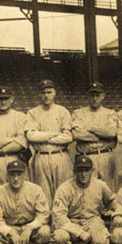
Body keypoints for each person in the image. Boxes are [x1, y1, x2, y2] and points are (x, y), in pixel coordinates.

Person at [50, 156, 116, 244]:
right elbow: (59, 215)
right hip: (71, 221)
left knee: (101, 240)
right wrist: (79, 232)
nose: (83, 174)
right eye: (80, 171)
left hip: (92, 220)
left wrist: (115, 213)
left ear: (92, 171)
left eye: (87, 170)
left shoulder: (100, 185)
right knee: (59, 238)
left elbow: (112, 202)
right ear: (74, 171)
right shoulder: (64, 188)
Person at [0, 160, 51, 244]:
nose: (16, 178)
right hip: (10, 226)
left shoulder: (35, 189)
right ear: (7, 176)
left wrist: (30, 227)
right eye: (12, 175)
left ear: (25, 175)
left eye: (19, 174)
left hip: (31, 226)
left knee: (45, 231)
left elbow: (44, 214)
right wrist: (10, 232)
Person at [25, 79, 73, 207]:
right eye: (43, 92)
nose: (46, 95)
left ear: (54, 93)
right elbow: (31, 136)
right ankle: (46, 222)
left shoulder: (63, 111)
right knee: (43, 194)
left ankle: (62, 221)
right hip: (41, 156)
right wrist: (54, 134)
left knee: (63, 191)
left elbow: (68, 138)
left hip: (61, 156)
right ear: (39, 95)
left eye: (49, 92)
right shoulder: (32, 112)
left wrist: (43, 136)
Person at [71, 82, 119, 192]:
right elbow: (77, 135)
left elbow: (111, 133)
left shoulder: (110, 113)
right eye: (92, 95)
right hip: (86, 156)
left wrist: (90, 128)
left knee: (108, 190)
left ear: (103, 96)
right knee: (87, 190)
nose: (95, 98)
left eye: (97, 95)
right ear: (88, 96)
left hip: (105, 155)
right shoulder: (78, 113)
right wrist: (100, 135)